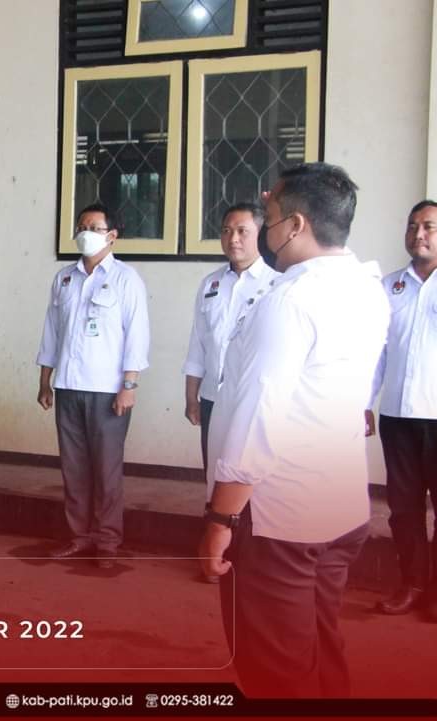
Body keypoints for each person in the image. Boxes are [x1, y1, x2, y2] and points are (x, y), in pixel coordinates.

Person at [199, 163, 389, 697]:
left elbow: (257, 420)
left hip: (280, 520)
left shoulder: (289, 300)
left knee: (275, 672)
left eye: (272, 215)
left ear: (297, 225)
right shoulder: (366, 287)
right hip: (337, 506)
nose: (266, 227)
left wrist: (220, 520)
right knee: (322, 649)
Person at [37, 203, 150, 569]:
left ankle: (107, 541)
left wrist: (129, 384)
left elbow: (137, 335)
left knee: (106, 469)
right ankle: (79, 536)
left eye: (94, 227)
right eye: (81, 226)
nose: (85, 232)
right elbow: (52, 332)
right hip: (68, 386)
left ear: (111, 236)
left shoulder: (126, 279)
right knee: (74, 468)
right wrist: (45, 381)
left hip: (108, 390)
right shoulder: (64, 279)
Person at [182, 203, 279, 583]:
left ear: (259, 235)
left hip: (250, 402)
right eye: (226, 231)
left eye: (242, 231)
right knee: (215, 476)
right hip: (212, 398)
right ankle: (216, 554)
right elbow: (198, 343)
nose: (232, 239)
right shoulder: (211, 284)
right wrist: (191, 395)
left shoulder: (275, 284)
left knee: (251, 479)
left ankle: (249, 559)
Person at [370, 200, 437, 620]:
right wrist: (363, 402)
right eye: (412, 226)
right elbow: (376, 352)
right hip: (397, 417)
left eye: (429, 226)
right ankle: (412, 583)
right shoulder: (389, 286)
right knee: (404, 508)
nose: (419, 234)